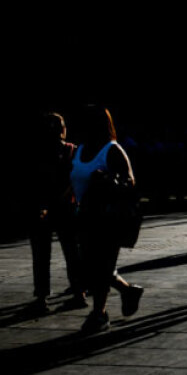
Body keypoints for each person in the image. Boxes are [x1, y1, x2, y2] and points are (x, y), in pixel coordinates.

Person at [69, 106, 144, 333]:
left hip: (108, 220)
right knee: (92, 268)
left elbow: (129, 182)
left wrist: (108, 180)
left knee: (100, 268)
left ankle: (99, 314)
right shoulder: (81, 149)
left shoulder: (112, 150)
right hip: (84, 218)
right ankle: (128, 291)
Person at [29, 112, 83, 313]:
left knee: (41, 254)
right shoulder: (72, 150)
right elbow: (76, 177)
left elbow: (33, 182)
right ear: (63, 130)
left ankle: (42, 297)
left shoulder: (36, 152)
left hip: (42, 208)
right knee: (71, 252)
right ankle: (79, 292)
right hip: (66, 207)